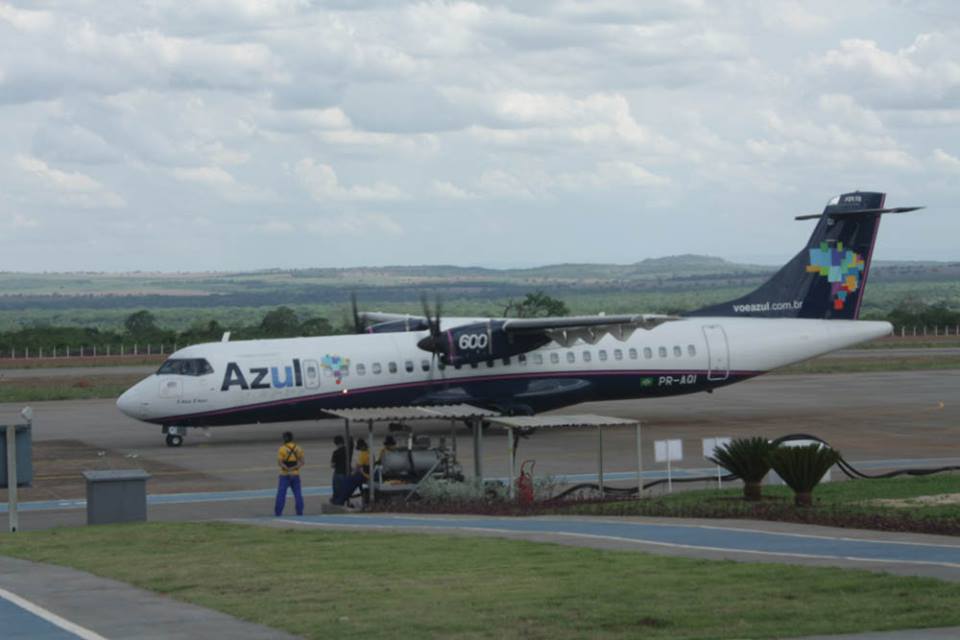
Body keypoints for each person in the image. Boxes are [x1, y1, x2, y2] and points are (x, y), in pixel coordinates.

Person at [274, 431, 305, 516]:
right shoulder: (298, 448)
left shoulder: (282, 448)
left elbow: (280, 462)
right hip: (295, 474)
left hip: (284, 474)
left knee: (281, 494)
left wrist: (287, 468)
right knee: (298, 494)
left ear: (284, 438)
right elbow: (302, 462)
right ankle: (299, 512)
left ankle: (278, 512)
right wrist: (294, 468)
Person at [330, 435, 349, 505]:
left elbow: (332, 465)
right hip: (345, 472)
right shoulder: (347, 451)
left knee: (336, 489)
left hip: (338, 472)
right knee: (344, 489)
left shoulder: (335, 453)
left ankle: (337, 502)